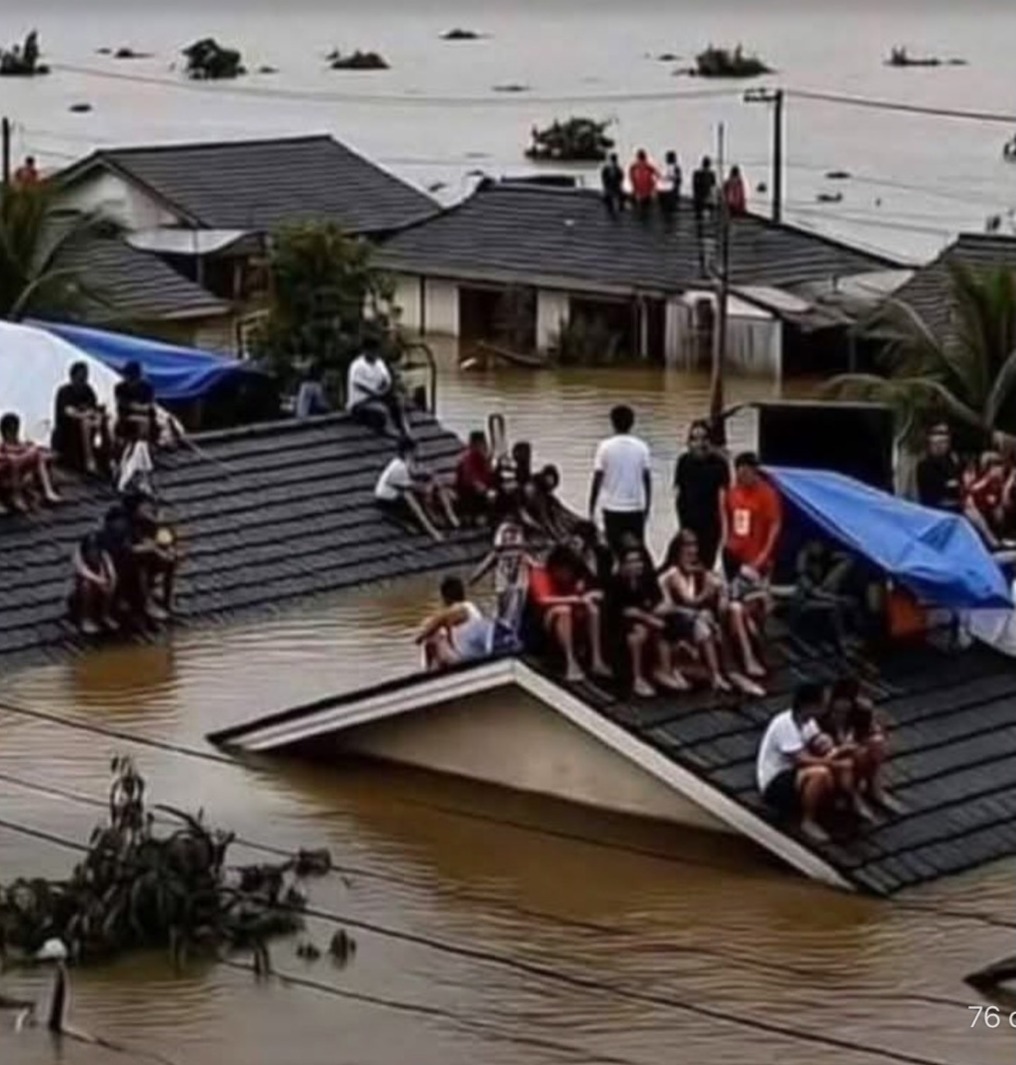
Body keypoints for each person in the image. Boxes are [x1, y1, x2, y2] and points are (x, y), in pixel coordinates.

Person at [755, 682, 836, 842]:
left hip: (793, 776)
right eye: (822, 703)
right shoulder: (785, 724)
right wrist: (832, 762)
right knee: (820, 773)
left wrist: (825, 742)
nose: (826, 707)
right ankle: (808, 820)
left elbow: (815, 739)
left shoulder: (808, 722)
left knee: (831, 769)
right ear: (810, 705)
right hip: (775, 782)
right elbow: (802, 759)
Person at [606, 547, 690, 697]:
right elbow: (624, 612)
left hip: (645, 616)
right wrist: (648, 618)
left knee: (669, 624)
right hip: (620, 624)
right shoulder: (615, 582)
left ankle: (667, 670)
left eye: (639, 561)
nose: (636, 565)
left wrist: (658, 612)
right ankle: (637, 678)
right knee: (639, 634)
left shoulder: (647, 578)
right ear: (623, 565)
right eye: (631, 562)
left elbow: (657, 601)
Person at [659, 530, 734, 693]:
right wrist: (706, 592)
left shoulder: (700, 571)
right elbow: (687, 601)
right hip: (676, 620)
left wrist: (721, 594)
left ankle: (725, 669)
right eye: (687, 546)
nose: (692, 550)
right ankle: (715, 675)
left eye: (694, 545)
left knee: (713, 622)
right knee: (702, 627)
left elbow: (720, 589)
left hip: (697, 617)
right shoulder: (672, 574)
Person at [527, 544, 610, 682]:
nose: (567, 575)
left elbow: (589, 593)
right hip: (546, 622)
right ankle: (571, 662)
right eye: (564, 571)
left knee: (593, 609)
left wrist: (591, 595)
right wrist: (575, 599)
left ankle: (597, 660)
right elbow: (542, 599)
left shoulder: (576, 577)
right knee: (563, 611)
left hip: (575, 618)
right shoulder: (540, 573)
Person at [589, 404, 652, 552]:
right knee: (636, 550)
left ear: (612, 422)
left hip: (612, 508)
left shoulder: (604, 447)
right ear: (632, 422)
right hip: (635, 508)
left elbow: (597, 478)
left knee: (613, 549)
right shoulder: (642, 447)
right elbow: (647, 480)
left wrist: (591, 506)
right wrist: (648, 506)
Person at [374, 439, 458, 542]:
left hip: (400, 489)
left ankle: (448, 515)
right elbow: (412, 486)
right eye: (414, 451)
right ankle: (432, 530)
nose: (417, 453)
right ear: (408, 452)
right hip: (388, 499)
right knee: (411, 498)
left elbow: (415, 473)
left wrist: (429, 477)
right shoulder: (399, 467)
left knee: (432, 485)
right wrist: (427, 488)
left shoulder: (407, 462)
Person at [673, 419, 729, 569]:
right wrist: (682, 526)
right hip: (688, 523)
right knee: (687, 565)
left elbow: (724, 499)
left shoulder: (719, 464)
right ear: (689, 442)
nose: (699, 443)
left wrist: (726, 532)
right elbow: (679, 495)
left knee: (706, 566)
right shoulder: (683, 461)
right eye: (694, 439)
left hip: (711, 526)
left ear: (710, 441)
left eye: (704, 438)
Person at [416, 576, 495, 670]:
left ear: (445, 598)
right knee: (439, 635)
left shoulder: (461, 608)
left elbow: (440, 619)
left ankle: (429, 672)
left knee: (431, 639)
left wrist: (420, 637)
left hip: (467, 657)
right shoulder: (470, 607)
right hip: (473, 653)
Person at [470, 517, 534, 630]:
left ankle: (510, 628)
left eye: (512, 535)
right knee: (503, 610)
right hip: (503, 585)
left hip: (517, 586)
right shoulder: (498, 553)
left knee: (514, 611)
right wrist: (474, 578)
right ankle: (504, 627)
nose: (509, 538)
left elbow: (533, 565)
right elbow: (484, 566)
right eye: (507, 535)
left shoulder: (520, 553)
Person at [346, 335, 411, 441]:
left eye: (375, 351)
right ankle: (390, 434)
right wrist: (377, 393)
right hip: (360, 403)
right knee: (380, 410)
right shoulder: (357, 366)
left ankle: (405, 432)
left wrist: (384, 390)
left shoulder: (379, 363)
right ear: (365, 351)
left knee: (397, 402)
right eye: (371, 351)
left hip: (378, 397)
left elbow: (386, 380)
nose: (374, 353)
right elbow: (360, 385)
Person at [52, 361, 109, 474]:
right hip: (67, 428)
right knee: (85, 423)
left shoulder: (88, 390)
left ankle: (107, 456)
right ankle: (89, 460)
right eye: (80, 377)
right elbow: (68, 411)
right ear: (73, 377)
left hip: (86, 422)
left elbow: (93, 407)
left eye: (85, 377)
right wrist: (83, 415)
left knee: (103, 420)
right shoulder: (64, 392)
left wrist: (97, 415)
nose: (83, 380)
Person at [0, 413, 61, 511]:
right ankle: (16, 497)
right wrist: (13, 457)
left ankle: (48, 491)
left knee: (38, 455)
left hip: (22, 477)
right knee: (13, 461)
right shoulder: (3, 447)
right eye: (11, 431)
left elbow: (32, 450)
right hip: (7, 479)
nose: (14, 433)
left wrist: (26, 454)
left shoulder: (21, 444)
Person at [70, 529, 117, 635]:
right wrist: (98, 580)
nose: (93, 553)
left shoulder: (104, 554)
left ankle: (105, 614)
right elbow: (82, 570)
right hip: (81, 592)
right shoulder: (78, 555)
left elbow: (111, 571)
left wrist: (109, 583)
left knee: (111, 584)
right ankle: (85, 619)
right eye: (91, 551)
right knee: (86, 584)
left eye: (95, 550)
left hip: (100, 588)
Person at [964, 451, 1014, 549]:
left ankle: (1004, 537)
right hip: (980, 512)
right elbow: (971, 493)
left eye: (1000, 468)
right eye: (995, 468)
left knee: (999, 510)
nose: (999, 471)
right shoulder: (981, 482)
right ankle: (992, 541)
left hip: (995, 513)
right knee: (973, 513)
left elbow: (1005, 502)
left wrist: (1008, 484)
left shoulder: (1002, 483)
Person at [915, 423, 963, 512]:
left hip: (955, 508)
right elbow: (931, 493)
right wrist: (950, 485)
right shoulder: (924, 466)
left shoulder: (952, 462)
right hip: (936, 510)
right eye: (937, 443)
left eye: (945, 442)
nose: (941, 446)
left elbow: (959, 483)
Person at [454, 430, 495, 524]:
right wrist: (486, 490)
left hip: (474, 491)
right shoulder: (470, 457)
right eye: (483, 443)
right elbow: (472, 478)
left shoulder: (479, 457)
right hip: (470, 494)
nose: (485, 446)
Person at [114, 361, 158, 445]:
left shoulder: (147, 388)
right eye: (127, 376)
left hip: (144, 416)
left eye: (133, 378)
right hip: (126, 416)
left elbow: (150, 405)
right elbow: (122, 404)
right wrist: (136, 406)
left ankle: (147, 445)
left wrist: (135, 406)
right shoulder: (120, 388)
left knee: (148, 425)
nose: (130, 380)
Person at [628, 149, 659, 217]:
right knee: (646, 207)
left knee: (641, 207)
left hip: (640, 189)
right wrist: (654, 185)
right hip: (645, 189)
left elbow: (631, 176)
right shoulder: (647, 166)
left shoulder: (635, 166)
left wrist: (633, 185)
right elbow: (657, 175)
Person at [692, 156, 717, 220]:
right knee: (710, 215)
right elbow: (713, 187)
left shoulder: (697, 173)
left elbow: (694, 186)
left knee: (699, 216)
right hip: (706, 197)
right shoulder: (711, 174)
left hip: (700, 198)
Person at [600, 152, 625, 217]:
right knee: (619, 198)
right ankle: (618, 210)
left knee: (609, 200)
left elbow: (604, 179)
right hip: (614, 188)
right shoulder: (617, 168)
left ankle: (612, 211)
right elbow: (621, 178)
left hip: (610, 188)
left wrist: (605, 187)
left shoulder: (607, 168)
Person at [659, 150, 682, 217]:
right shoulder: (675, 168)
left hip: (667, 192)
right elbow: (678, 180)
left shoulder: (667, 168)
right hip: (670, 192)